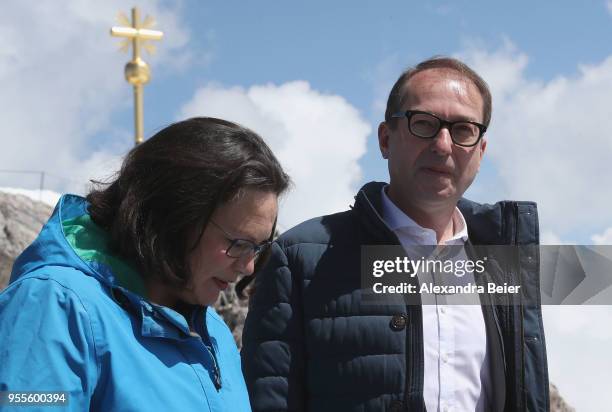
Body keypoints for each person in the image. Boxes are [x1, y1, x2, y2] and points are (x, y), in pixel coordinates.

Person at [241, 57, 549, 411]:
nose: (443, 144)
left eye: (463, 129)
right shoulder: (299, 258)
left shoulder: (504, 264)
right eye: (424, 124)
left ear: (480, 151)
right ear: (386, 139)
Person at [0, 117, 290, 411]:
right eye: (238, 243)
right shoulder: (55, 306)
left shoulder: (213, 330)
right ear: (174, 216)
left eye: (258, 248)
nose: (248, 267)